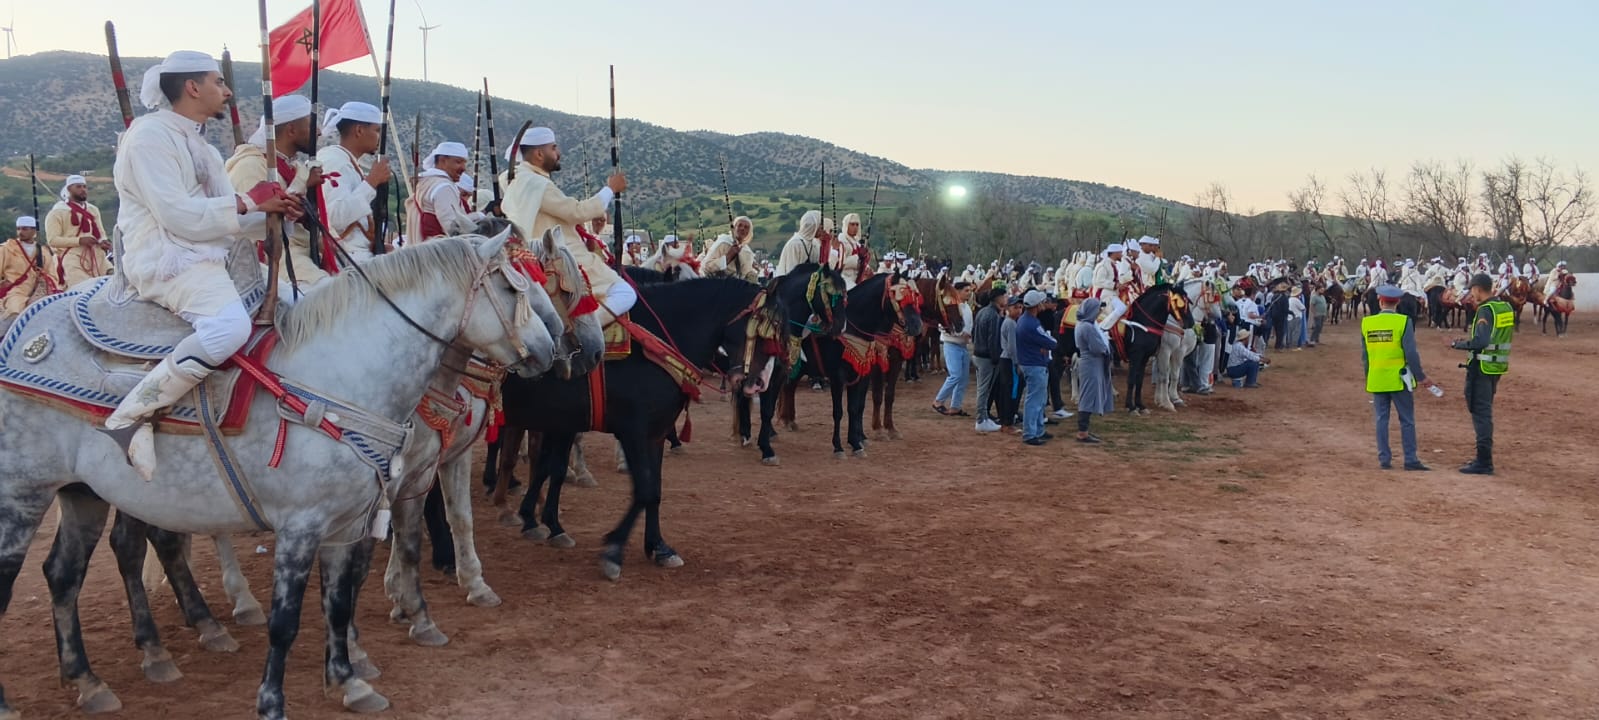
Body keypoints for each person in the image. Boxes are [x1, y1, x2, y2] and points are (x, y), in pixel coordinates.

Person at [101, 50, 300, 480]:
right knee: (229, 328)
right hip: (168, 259)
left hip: (208, 256)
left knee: (298, 306)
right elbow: (178, 215)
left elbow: (228, 218)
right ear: (192, 87)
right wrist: (249, 201)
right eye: (218, 81)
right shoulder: (148, 138)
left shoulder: (202, 146)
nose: (227, 91)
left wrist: (275, 213)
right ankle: (131, 415)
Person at [501, 125, 631, 320]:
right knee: (624, 293)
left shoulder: (521, 180)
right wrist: (610, 189)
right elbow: (576, 212)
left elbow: (559, 217)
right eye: (553, 148)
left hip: (541, 255)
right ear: (539, 154)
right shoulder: (536, 184)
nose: (558, 153)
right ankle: (584, 328)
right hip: (563, 258)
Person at [225, 94, 318, 288]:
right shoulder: (250, 165)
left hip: (304, 250)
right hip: (275, 259)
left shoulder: (296, 168)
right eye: (312, 125)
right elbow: (252, 228)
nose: (319, 132)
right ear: (291, 130)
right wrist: (302, 184)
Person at [1362, 285, 1436, 471]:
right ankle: (1410, 459)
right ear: (1398, 302)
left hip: (1377, 378)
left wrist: (1369, 376)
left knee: (1381, 419)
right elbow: (1411, 353)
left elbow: (1365, 356)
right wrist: (1421, 376)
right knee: (1407, 420)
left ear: (1380, 301)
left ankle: (1384, 458)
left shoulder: (1367, 323)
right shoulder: (1403, 322)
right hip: (1399, 379)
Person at [1450, 273, 1513, 475]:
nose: (1472, 294)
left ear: (1478, 289)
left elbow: (1481, 341)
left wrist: (1459, 344)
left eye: (1472, 290)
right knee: (1483, 412)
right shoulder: (1505, 307)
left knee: (1481, 414)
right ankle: (1483, 459)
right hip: (1496, 367)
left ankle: (1484, 461)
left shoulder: (1485, 310)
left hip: (1481, 367)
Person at [407, 141, 484, 242]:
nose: (463, 168)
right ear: (443, 161)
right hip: (435, 249)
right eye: (458, 162)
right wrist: (479, 216)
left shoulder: (426, 183)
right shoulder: (443, 187)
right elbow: (454, 228)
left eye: (464, 163)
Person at [44, 174, 109, 288]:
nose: (83, 190)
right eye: (78, 187)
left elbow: (101, 233)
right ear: (69, 189)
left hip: (97, 257)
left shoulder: (93, 210)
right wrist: (79, 241)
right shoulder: (57, 212)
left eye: (84, 187)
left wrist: (103, 241)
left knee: (112, 281)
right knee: (83, 289)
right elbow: (52, 240)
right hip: (71, 257)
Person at [1015, 290, 1057, 446]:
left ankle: (1038, 430)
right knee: (1034, 400)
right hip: (1035, 364)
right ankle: (1030, 433)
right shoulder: (1032, 324)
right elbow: (1051, 342)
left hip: (1030, 362)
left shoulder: (1024, 320)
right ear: (1036, 305)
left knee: (1038, 399)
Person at [1072, 296, 1112, 442]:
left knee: (1087, 395)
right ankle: (1082, 431)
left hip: (1089, 362)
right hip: (1091, 362)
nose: (1099, 312)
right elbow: (1097, 347)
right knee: (1087, 396)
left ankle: (1084, 430)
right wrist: (1106, 344)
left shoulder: (1082, 324)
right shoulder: (1088, 327)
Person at [1, 215, 57, 317]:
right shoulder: (7, 248)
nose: (20, 232)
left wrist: (43, 279)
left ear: (34, 231)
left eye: (24, 229)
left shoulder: (43, 251)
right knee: (15, 310)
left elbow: (53, 275)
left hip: (39, 291)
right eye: (18, 229)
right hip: (15, 291)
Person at [932, 281, 974, 416]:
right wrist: (961, 334)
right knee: (955, 375)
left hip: (963, 345)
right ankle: (938, 401)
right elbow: (942, 327)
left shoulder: (967, 307)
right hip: (951, 344)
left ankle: (955, 406)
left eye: (970, 290)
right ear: (958, 292)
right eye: (966, 290)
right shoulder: (949, 306)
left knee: (963, 378)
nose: (969, 293)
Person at [971, 288, 1004, 433]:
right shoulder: (993, 315)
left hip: (978, 353)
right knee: (984, 390)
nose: (1006, 298)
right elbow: (993, 339)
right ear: (998, 298)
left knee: (983, 389)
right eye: (1004, 296)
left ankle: (984, 418)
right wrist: (996, 357)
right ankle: (981, 420)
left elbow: (974, 333)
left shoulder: (982, 312)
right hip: (986, 357)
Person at [704, 215, 758, 282]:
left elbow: (745, 274)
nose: (742, 228)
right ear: (734, 228)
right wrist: (728, 257)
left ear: (749, 232)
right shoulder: (723, 242)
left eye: (746, 227)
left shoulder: (747, 252)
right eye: (739, 225)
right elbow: (707, 266)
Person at [995, 295, 1021, 430]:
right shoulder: (1010, 323)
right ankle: (1007, 421)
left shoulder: (1010, 322)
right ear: (1008, 309)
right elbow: (1012, 347)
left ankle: (1007, 419)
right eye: (1015, 307)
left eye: (1020, 307)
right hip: (1009, 360)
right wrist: (1017, 363)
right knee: (1010, 391)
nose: (1019, 310)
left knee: (1008, 390)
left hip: (1006, 359)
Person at [774, 210, 824, 278]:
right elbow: (791, 273)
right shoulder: (794, 244)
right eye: (821, 227)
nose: (822, 230)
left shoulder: (815, 244)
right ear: (813, 227)